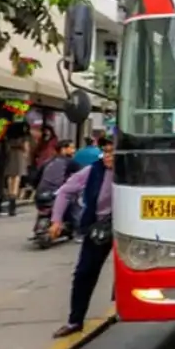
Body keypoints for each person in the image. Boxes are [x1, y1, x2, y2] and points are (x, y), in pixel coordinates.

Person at [49, 138, 115, 338]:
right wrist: (56, 220)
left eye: (113, 152)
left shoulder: (135, 171)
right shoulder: (92, 171)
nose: (108, 157)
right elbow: (65, 192)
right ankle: (75, 320)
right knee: (84, 272)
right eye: (105, 152)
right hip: (99, 227)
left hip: (127, 227)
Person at [32, 139, 78, 238]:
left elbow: (35, 179)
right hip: (56, 194)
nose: (74, 150)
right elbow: (82, 175)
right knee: (74, 204)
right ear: (63, 149)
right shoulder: (69, 162)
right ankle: (78, 230)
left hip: (40, 195)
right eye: (72, 148)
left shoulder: (47, 162)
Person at [2, 121, 28, 216]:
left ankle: (10, 196)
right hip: (19, 156)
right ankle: (13, 203)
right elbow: (26, 149)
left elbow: (6, 148)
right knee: (17, 178)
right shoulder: (23, 138)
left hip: (10, 156)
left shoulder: (9, 138)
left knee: (10, 177)